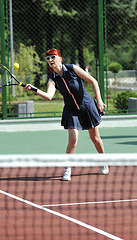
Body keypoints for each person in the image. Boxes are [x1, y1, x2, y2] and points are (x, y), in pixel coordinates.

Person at [25, 48, 109, 181]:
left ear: (60, 58)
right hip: (71, 110)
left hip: (87, 106)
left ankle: (104, 161)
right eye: (48, 59)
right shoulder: (53, 79)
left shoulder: (72, 69)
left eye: (53, 57)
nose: (51, 60)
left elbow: (93, 81)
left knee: (95, 139)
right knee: (73, 138)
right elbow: (48, 96)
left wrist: (99, 100)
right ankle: (67, 169)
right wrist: (34, 89)